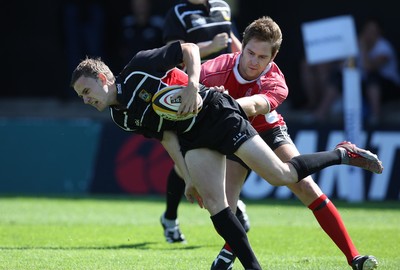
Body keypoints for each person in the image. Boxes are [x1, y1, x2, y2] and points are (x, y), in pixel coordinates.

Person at [70, 41, 383, 269]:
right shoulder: (120, 118)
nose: (85, 100)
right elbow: (166, 136)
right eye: (81, 97)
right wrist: (187, 177)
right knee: (217, 207)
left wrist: (193, 85)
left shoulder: (139, 67)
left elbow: (189, 49)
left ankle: (342, 153)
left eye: (86, 92)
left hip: (217, 113)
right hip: (191, 135)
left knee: (281, 176)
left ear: (103, 79)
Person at [199, 16, 379, 270]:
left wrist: (225, 104)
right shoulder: (212, 70)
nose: (254, 61)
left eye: (262, 57)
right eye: (250, 52)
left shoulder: (276, 81)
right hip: (232, 134)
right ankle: (231, 250)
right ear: (242, 46)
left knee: (305, 187)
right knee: (221, 208)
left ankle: (355, 258)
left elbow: (256, 105)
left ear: (272, 58)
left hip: (267, 131)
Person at [160, 0, 247, 245]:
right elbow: (172, 56)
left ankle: (233, 199)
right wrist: (211, 46)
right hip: (192, 91)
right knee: (186, 161)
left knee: (238, 143)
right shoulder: (177, 12)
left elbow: (234, 44)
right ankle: (170, 218)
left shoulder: (223, 6)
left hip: (226, 89)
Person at [357, 17, 400, 126]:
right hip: (365, 87)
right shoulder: (356, 46)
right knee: (339, 78)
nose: (370, 34)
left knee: (372, 77)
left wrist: (363, 48)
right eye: (368, 30)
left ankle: (375, 116)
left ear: (379, 32)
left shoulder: (384, 47)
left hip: (390, 89)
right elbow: (342, 66)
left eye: (373, 31)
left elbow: (369, 68)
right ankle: (319, 112)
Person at [116, 0, 164, 69]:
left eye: (143, 3)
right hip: (128, 69)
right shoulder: (125, 24)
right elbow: (119, 49)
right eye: (137, 3)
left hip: (153, 69)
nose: (140, 6)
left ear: (149, 4)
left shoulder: (158, 25)